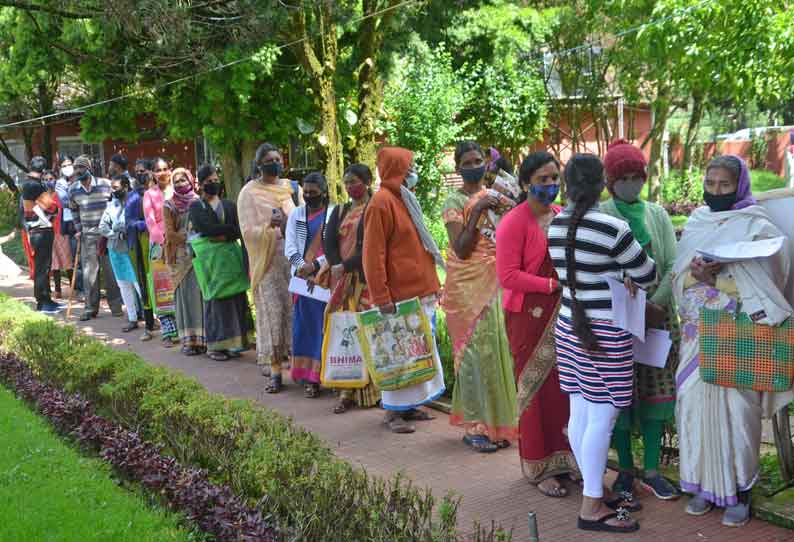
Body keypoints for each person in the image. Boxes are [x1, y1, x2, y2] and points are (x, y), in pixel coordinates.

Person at [674, 155, 793, 527]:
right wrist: (694, 274)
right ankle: (702, 486)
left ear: (739, 186)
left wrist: (718, 281)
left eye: (724, 185)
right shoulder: (696, 221)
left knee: (738, 414)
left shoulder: (758, 226)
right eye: (711, 185)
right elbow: (678, 279)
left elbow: (770, 286)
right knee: (692, 406)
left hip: (738, 334)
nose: (716, 192)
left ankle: (741, 490)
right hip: (697, 334)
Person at [548, 153, 656, 534]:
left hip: (569, 327)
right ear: (602, 186)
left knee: (580, 412)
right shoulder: (612, 228)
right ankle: (591, 504)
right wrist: (624, 274)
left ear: (566, 185)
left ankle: (596, 488)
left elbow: (575, 273)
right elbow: (648, 272)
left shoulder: (556, 225)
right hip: (606, 332)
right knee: (603, 416)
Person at [598, 140, 681, 501]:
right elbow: (598, 268)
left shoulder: (658, 215)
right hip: (615, 321)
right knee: (618, 397)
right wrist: (628, 302)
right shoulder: (599, 214)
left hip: (658, 320)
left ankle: (651, 470)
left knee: (655, 394)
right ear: (609, 180)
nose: (631, 184)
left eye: (637, 177)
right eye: (623, 177)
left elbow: (673, 264)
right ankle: (625, 470)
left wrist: (656, 304)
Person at [495, 151, 579, 496]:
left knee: (566, 389)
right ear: (526, 182)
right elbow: (507, 275)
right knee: (534, 391)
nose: (550, 186)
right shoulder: (514, 222)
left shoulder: (562, 215)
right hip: (528, 316)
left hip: (564, 314)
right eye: (543, 180)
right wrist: (548, 285)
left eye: (554, 179)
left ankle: (567, 460)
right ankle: (539, 467)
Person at [362, 146, 446, 434]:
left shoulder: (405, 199)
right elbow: (373, 256)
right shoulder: (381, 203)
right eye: (408, 167)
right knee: (398, 355)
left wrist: (434, 285)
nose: (413, 172)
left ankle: (409, 407)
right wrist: (381, 297)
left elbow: (419, 246)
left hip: (420, 291)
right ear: (397, 169)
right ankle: (392, 413)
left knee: (417, 353)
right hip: (398, 296)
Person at [441, 141, 518, 452]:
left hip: (497, 283)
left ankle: (498, 427)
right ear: (459, 167)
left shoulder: (500, 196)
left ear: (487, 164)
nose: (474, 165)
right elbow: (460, 247)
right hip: (466, 289)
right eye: (467, 161)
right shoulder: (454, 200)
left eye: (478, 160)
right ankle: (474, 427)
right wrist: (478, 211)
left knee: (497, 354)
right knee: (472, 357)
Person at [238, 143, 298, 392]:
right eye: (270, 159)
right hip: (268, 261)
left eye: (279, 158)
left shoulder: (291, 188)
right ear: (259, 164)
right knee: (273, 313)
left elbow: (300, 220)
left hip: (293, 261)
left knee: (294, 312)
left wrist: (286, 222)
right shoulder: (248, 193)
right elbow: (246, 231)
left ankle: (298, 366)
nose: (276, 163)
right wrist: (268, 228)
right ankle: (275, 371)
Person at [322, 164, 381, 413]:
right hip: (344, 282)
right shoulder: (341, 210)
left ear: (367, 182)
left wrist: (346, 265)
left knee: (367, 331)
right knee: (344, 332)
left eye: (354, 181)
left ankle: (373, 391)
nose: (349, 187)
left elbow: (370, 245)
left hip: (366, 280)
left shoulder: (374, 208)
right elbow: (328, 240)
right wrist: (337, 265)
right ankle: (346, 391)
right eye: (346, 182)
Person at [189, 165, 254, 361]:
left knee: (236, 298)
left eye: (215, 180)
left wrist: (221, 233)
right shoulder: (195, 206)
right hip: (211, 263)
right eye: (208, 181)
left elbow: (238, 229)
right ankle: (215, 346)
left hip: (230, 262)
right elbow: (205, 228)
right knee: (216, 300)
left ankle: (236, 344)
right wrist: (225, 231)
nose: (213, 184)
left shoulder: (229, 205)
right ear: (200, 185)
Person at [285, 172, 334, 398]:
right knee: (304, 327)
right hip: (302, 281)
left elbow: (336, 248)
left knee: (323, 328)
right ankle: (308, 378)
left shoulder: (333, 214)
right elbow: (290, 246)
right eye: (305, 192)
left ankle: (325, 374)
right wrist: (302, 266)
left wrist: (315, 265)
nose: (308, 196)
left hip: (325, 279)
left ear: (324, 192)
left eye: (313, 193)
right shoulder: (297, 214)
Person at [68, 155, 123, 320]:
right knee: (89, 273)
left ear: (89, 168)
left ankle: (116, 307)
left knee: (110, 272)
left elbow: (116, 204)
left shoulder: (106, 185)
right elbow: (74, 211)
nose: (78, 171)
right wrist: (78, 230)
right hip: (87, 235)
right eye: (76, 168)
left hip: (107, 235)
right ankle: (90, 308)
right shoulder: (73, 189)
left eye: (81, 168)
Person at [163, 168, 206, 356]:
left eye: (184, 180)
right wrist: (189, 237)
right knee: (184, 299)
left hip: (198, 256)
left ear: (191, 180)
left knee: (199, 297)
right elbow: (170, 233)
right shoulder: (169, 205)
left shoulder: (198, 201)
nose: (181, 184)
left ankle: (202, 340)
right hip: (179, 259)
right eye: (177, 181)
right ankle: (189, 341)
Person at [99, 176, 142, 332]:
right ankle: (132, 319)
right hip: (115, 250)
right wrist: (115, 234)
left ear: (125, 187)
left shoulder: (135, 202)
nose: (113, 191)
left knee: (138, 284)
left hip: (132, 250)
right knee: (123, 285)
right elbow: (102, 227)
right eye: (112, 188)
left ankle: (152, 318)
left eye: (116, 187)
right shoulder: (111, 206)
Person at [144, 157, 179, 345]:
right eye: (158, 170)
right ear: (153, 174)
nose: (163, 172)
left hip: (179, 245)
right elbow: (150, 222)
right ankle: (167, 333)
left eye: (166, 168)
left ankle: (184, 330)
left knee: (178, 285)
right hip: (159, 246)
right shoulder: (149, 194)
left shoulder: (178, 191)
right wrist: (164, 241)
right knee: (162, 289)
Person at [21, 157, 61, 313]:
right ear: (43, 170)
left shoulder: (28, 183)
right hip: (41, 230)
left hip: (37, 230)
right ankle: (43, 302)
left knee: (43, 267)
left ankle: (46, 299)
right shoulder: (35, 186)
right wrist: (51, 199)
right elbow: (53, 208)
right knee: (42, 268)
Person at [127, 159, 156, 340]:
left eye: (143, 170)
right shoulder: (133, 196)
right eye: (137, 171)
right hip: (140, 244)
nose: (140, 174)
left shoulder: (160, 192)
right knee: (145, 283)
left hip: (161, 243)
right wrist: (145, 224)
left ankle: (171, 325)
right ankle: (149, 327)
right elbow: (128, 221)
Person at [42, 170, 71, 299]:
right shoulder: (42, 197)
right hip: (49, 232)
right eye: (46, 179)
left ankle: (73, 287)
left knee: (68, 261)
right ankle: (58, 290)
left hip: (62, 231)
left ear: (56, 179)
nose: (49, 181)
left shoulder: (61, 195)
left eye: (51, 179)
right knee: (55, 263)